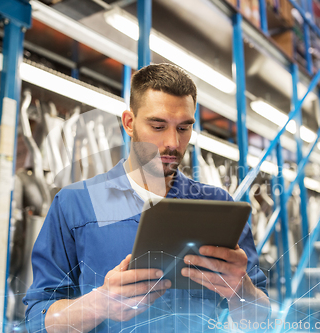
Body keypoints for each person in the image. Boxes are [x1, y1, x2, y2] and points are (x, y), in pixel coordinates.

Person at [23, 63, 270, 333]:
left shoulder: (219, 208)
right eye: (158, 126)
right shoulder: (77, 205)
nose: (173, 143)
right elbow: (38, 320)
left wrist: (241, 287)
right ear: (129, 123)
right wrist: (99, 304)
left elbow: (260, 322)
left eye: (184, 128)